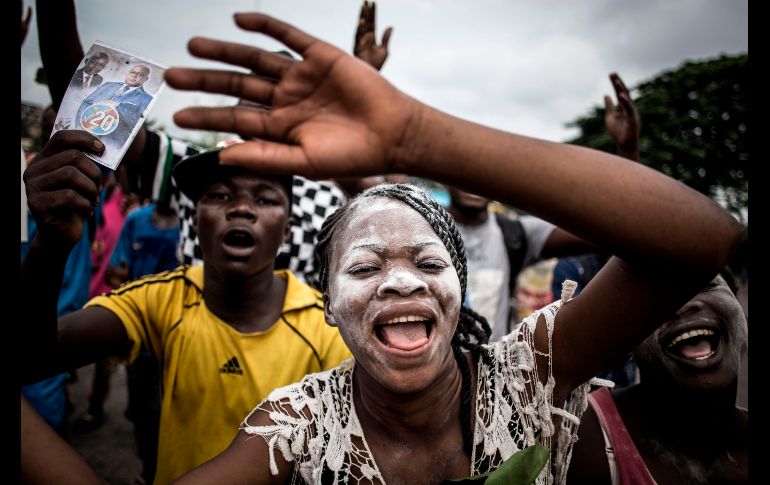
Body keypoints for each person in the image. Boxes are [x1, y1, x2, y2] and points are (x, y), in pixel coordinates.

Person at [160, 13, 741, 484]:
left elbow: (702, 242)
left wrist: (416, 136)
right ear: (328, 305)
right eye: (364, 267)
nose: (401, 281)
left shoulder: (530, 374)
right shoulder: (298, 426)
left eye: (429, 262)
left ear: (460, 292)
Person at [21, 136, 352, 484]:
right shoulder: (161, 298)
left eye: (265, 199)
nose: (241, 208)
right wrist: (50, 246)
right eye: (220, 195)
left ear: (286, 231)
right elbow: (31, 357)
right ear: (194, 222)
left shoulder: (327, 327)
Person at [566, 272, 748, 483]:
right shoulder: (589, 440)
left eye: (704, 285)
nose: (683, 305)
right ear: (627, 341)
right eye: (655, 297)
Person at [445, 187, 592, 341]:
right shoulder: (423, 227)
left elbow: (597, 230)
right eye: (465, 173)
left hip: (489, 360)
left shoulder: (515, 234)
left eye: (481, 174)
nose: (472, 184)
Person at [76, 64, 154, 148]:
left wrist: (117, 106)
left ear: (146, 79)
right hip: (85, 132)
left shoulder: (147, 99)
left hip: (111, 143)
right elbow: (87, 102)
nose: (134, 75)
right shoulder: (108, 85)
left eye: (140, 74)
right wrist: (79, 125)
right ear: (128, 73)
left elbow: (136, 122)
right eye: (133, 72)